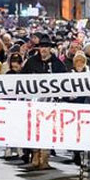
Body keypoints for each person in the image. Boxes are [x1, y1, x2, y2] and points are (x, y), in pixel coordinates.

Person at [21, 33, 68, 170]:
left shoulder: (58, 64)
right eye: (42, 47)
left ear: (50, 49)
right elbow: (21, 81)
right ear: (38, 48)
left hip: (51, 105)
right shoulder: (31, 62)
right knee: (34, 130)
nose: (44, 49)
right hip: (33, 103)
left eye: (46, 47)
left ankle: (45, 157)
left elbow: (64, 82)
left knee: (47, 131)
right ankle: (35, 155)